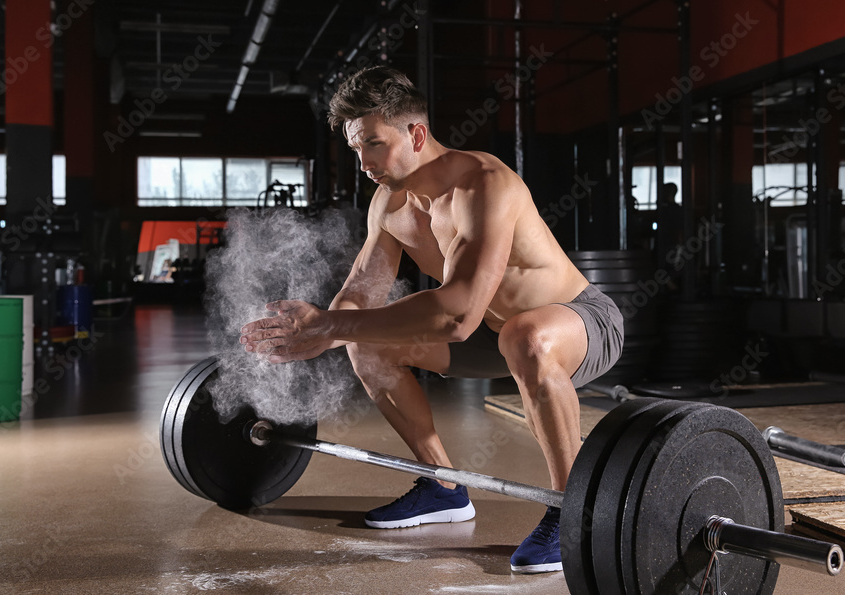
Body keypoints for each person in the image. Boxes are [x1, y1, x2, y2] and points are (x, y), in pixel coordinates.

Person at [239, 66, 623, 574]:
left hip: (580, 322)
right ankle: (443, 484)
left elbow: (459, 312)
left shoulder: (484, 184)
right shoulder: (390, 203)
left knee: (524, 334)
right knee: (368, 344)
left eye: (375, 144)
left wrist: (331, 325)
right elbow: (359, 294)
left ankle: (573, 511)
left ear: (416, 133)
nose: (365, 162)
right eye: (357, 150)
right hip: (494, 336)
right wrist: (319, 330)